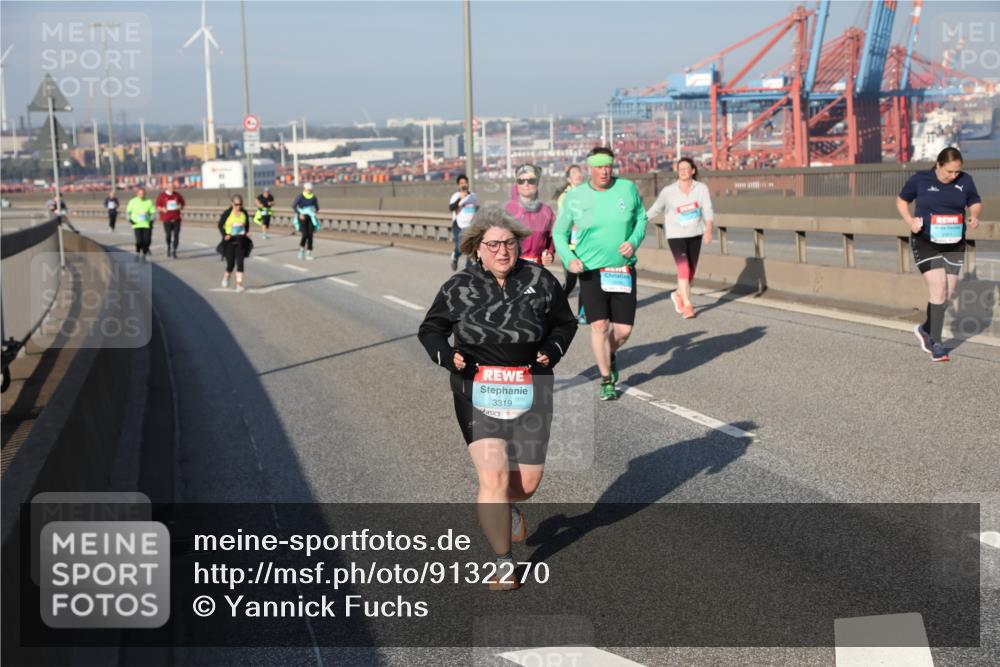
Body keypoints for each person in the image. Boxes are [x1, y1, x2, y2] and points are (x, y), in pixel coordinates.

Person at [419, 206, 577, 591]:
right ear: (477, 248)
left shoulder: (539, 280)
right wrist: (448, 357)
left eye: (509, 243)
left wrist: (551, 351)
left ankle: (509, 505)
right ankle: (503, 563)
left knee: (526, 483)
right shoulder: (458, 287)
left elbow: (564, 323)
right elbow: (431, 330)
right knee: (493, 476)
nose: (502, 251)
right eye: (493, 245)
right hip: (476, 389)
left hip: (531, 387)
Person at [553, 146, 647, 401]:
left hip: (622, 269)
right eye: (599, 167)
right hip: (591, 271)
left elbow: (641, 218)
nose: (604, 171)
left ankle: (610, 353)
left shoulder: (626, 189)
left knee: (624, 330)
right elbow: (559, 233)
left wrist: (634, 241)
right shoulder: (576, 196)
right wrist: (569, 259)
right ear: (589, 168)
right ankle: (606, 379)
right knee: (599, 326)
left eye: (608, 166)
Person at [896, 146, 983, 362]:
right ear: (938, 165)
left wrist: (974, 215)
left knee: (947, 295)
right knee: (938, 288)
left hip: (954, 243)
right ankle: (937, 343)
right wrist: (910, 221)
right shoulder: (920, 179)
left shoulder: (965, 180)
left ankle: (926, 328)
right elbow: (902, 200)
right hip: (926, 242)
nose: (953, 176)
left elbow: (974, 201)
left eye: (957, 172)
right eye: (949, 171)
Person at [645, 157, 714, 319]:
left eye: (686, 168)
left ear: (693, 171)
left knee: (691, 272)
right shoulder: (668, 191)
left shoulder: (701, 188)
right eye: (680, 168)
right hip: (676, 235)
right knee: (683, 269)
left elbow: (707, 209)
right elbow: (656, 209)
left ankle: (678, 294)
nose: (683, 171)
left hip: (695, 233)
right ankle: (687, 305)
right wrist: (639, 222)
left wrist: (709, 229)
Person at [505, 164, 555, 267]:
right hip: (512, 268)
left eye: (531, 181)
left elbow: (554, 237)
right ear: (517, 183)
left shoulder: (546, 211)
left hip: (537, 268)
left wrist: (550, 253)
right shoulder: (506, 210)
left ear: (537, 183)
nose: (526, 184)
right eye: (521, 181)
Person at [555, 164, 586, 313]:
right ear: (569, 179)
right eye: (574, 173)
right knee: (571, 279)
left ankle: (583, 313)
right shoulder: (565, 196)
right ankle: (557, 305)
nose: (578, 175)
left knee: (586, 278)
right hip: (570, 241)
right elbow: (565, 220)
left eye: (579, 172)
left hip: (585, 240)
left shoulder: (588, 192)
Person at [217, 194, 253, 292]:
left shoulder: (244, 213)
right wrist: (225, 235)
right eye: (236, 204)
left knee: (240, 263)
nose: (238, 206)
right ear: (232, 203)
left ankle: (239, 284)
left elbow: (246, 226)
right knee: (231, 265)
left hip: (241, 241)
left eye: (240, 204)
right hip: (230, 241)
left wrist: (247, 233)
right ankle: (226, 277)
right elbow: (220, 225)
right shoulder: (227, 213)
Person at [448, 174, 478, 271]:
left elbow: (477, 208)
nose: (464, 185)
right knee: (461, 246)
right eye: (461, 183)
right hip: (459, 225)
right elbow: (451, 208)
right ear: (458, 185)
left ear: (468, 184)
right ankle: (455, 255)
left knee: (470, 248)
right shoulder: (456, 196)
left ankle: (469, 270)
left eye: (465, 182)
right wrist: (460, 198)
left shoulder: (473, 196)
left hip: (471, 226)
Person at [155, 181, 186, 259]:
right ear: (167, 187)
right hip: (167, 219)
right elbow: (158, 205)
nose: (171, 188)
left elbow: (183, 204)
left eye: (173, 187)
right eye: (170, 187)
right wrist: (162, 209)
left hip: (176, 218)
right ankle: (168, 246)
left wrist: (180, 207)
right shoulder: (162, 196)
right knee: (168, 235)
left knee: (176, 235)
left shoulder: (177, 195)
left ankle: (174, 250)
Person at [126, 187, 155, 262]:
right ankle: (138, 252)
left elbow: (153, 212)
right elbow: (128, 212)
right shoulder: (132, 201)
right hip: (137, 224)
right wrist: (130, 220)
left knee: (147, 241)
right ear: (137, 194)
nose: (141, 195)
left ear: (145, 194)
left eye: (143, 193)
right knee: (139, 241)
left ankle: (144, 255)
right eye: (140, 193)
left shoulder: (148, 201)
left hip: (146, 224)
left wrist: (151, 221)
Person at [291, 182, 319, 260]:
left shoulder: (313, 197)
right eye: (307, 189)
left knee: (310, 235)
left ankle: (309, 253)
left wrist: (315, 211)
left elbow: (317, 207)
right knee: (305, 234)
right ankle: (301, 250)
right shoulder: (300, 196)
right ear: (304, 189)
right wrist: (299, 213)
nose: (309, 191)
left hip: (311, 217)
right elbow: (293, 206)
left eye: (310, 189)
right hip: (302, 217)